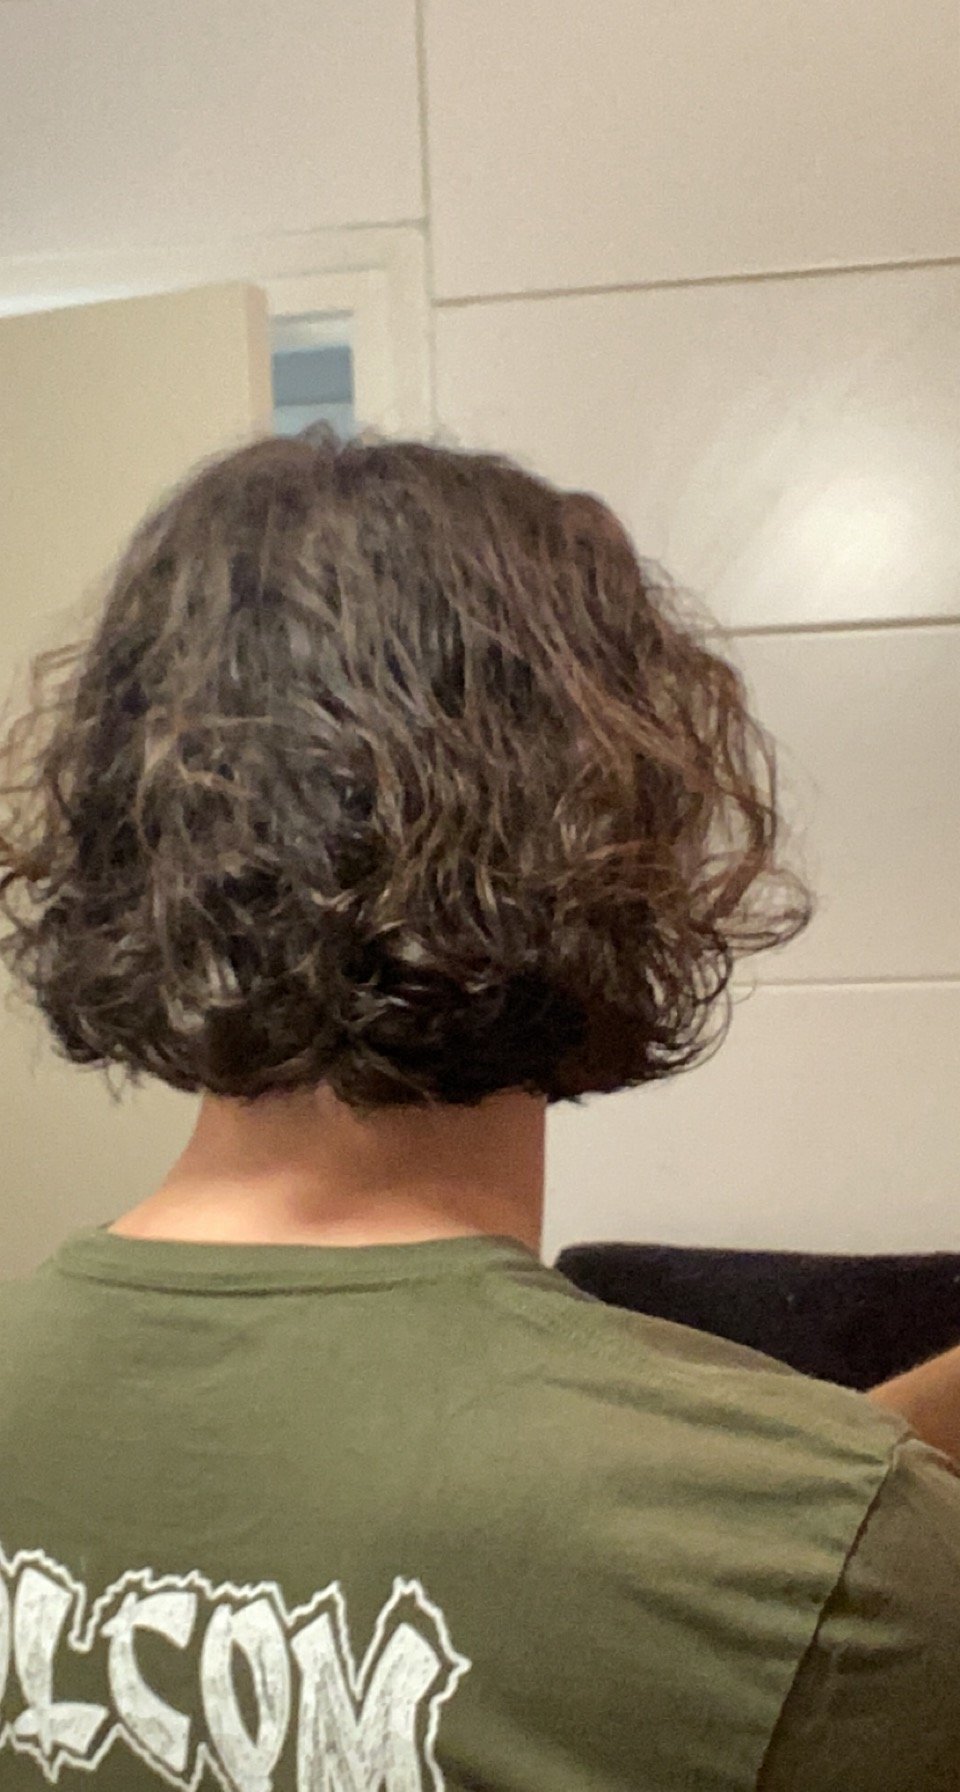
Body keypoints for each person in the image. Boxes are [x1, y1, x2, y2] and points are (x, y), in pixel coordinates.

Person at [0, 433, 957, 1792]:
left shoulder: (820, 1539)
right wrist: (850, 1511)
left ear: (128, 828)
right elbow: (779, 1573)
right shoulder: (840, 1570)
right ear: (610, 831)